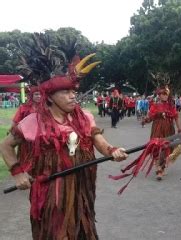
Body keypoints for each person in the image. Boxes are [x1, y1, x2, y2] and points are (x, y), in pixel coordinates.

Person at [0, 42, 128, 239]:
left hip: (81, 189)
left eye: (74, 92)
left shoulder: (84, 117)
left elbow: (98, 139)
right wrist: (17, 173)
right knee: (55, 233)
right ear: (49, 97)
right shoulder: (32, 121)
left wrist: (112, 151)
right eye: (66, 92)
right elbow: (6, 145)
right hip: (51, 193)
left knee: (82, 231)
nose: (72, 97)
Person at [143, 84, 181, 180]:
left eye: (166, 94)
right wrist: (145, 119)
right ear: (159, 95)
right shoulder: (155, 106)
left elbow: (176, 118)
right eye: (163, 94)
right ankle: (159, 169)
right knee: (156, 148)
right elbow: (150, 117)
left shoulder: (171, 106)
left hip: (169, 130)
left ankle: (162, 167)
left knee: (167, 149)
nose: (165, 96)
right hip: (157, 129)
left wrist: (180, 129)